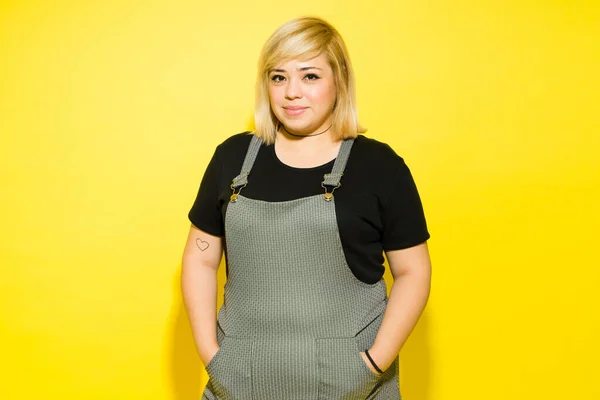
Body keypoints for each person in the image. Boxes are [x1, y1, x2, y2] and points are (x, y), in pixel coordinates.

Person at [181, 16, 432, 400]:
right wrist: (213, 357)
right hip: (239, 382)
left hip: (351, 387)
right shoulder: (231, 158)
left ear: (339, 80)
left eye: (310, 76)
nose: (291, 92)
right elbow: (199, 259)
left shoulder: (380, 166)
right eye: (278, 77)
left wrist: (372, 365)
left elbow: (413, 271)